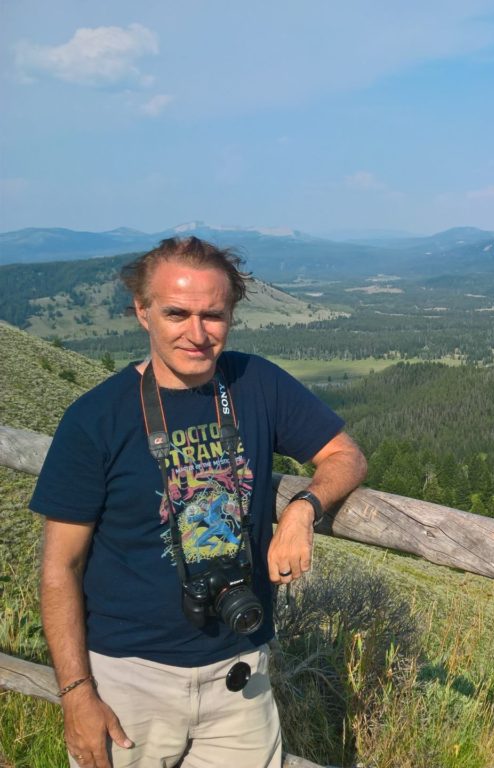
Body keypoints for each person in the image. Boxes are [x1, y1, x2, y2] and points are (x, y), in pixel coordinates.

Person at [30, 237, 367, 768]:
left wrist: (303, 508)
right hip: (129, 677)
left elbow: (345, 455)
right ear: (142, 311)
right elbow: (59, 568)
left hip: (240, 667)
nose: (197, 332)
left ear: (231, 315)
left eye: (213, 315)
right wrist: (77, 693)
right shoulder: (96, 419)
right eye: (176, 313)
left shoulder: (255, 383)